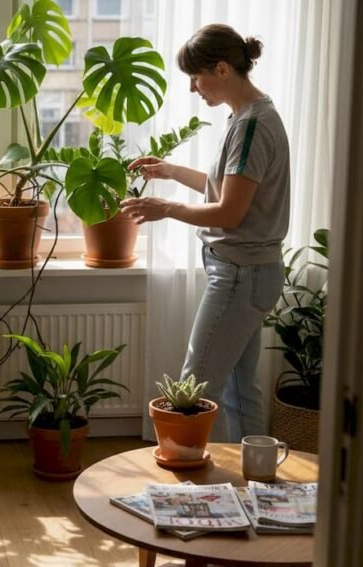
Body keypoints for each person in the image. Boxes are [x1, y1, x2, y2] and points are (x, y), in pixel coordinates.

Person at [122, 24, 289, 443]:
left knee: (193, 389)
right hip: (253, 272)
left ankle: (184, 490)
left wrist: (167, 210)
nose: (195, 89)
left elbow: (230, 212)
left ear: (221, 69)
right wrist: (171, 171)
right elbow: (228, 191)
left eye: (196, 78)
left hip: (239, 273)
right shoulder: (249, 117)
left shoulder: (251, 126)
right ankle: (257, 485)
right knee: (236, 390)